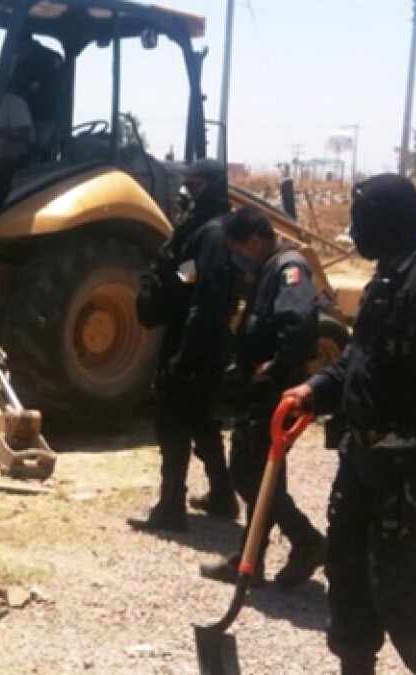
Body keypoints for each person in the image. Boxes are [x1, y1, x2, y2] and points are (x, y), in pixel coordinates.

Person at [284, 174, 416, 675]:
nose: (355, 231)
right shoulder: (385, 277)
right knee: (348, 581)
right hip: (362, 461)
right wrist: (315, 387)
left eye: (362, 219)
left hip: (408, 470)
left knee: (405, 593)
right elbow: (360, 360)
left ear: (388, 219)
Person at [199, 205, 326, 587]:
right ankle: (252, 558)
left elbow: (299, 324)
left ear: (255, 241)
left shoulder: (290, 269)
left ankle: (304, 542)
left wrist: (273, 370)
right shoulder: (266, 269)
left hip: (276, 391)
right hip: (262, 389)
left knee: (253, 473)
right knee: (260, 474)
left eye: (240, 247)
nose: (238, 257)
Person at [129, 159, 239, 533]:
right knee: (199, 418)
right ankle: (223, 495)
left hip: (197, 340)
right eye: (186, 185)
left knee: (173, 420)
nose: (188, 193)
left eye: (196, 186)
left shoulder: (213, 232)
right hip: (195, 336)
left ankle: (170, 507)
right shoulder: (202, 229)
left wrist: (186, 353)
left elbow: (208, 297)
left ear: (214, 187)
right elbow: (187, 276)